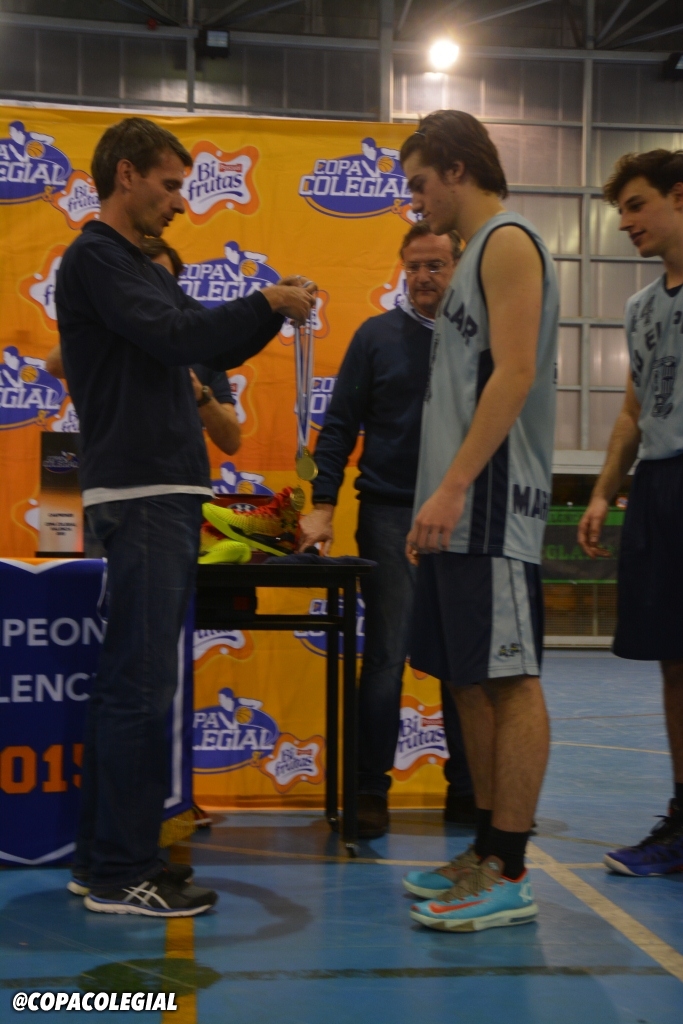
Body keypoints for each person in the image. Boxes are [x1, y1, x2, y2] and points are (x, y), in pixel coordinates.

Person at [55, 116, 314, 917]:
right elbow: (175, 337)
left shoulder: (133, 265)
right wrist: (265, 298)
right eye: (169, 186)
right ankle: (120, 872)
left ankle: (103, 861)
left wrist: (268, 311)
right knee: (138, 687)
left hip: (155, 493)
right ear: (126, 175)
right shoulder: (98, 257)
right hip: (142, 494)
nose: (179, 203)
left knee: (130, 686)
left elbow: (203, 349)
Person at [398, 110, 558, 933]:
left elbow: (516, 372)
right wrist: (431, 497)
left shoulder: (508, 241)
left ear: (456, 169)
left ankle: (511, 868)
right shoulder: (468, 257)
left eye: (421, 182)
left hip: (491, 499)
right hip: (455, 506)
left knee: (509, 679)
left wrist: (456, 485)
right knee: (466, 682)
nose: (415, 200)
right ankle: (485, 847)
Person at [298, 221, 474, 839]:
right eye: (414, 266)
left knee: (463, 659)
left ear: (458, 268)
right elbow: (339, 426)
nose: (423, 277)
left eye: (436, 266)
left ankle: (469, 791)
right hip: (389, 514)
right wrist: (323, 504)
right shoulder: (374, 337)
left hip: (463, 514)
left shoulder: (478, 337)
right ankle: (369, 791)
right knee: (386, 656)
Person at [578, 149, 683, 877]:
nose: (625, 222)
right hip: (659, 485)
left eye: (637, 205)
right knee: (673, 661)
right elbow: (631, 410)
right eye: (621, 210)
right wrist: (602, 491)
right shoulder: (640, 308)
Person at [46, 236, 241, 459]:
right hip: (114, 467)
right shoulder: (109, 330)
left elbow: (232, 441)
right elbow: (54, 365)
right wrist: (114, 317)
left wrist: (201, 394)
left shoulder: (198, 342)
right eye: (143, 281)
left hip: (181, 472)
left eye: (163, 279)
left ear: (175, 287)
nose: (153, 290)